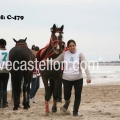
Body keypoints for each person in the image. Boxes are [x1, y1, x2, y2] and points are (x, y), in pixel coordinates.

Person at [46, 39, 91, 116]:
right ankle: (67, 102)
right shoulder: (64, 54)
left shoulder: (80, 54)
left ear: (75, 46)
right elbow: (56, 61)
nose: (72, 47)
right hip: (66, 79)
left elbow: (85, 65)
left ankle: (75, 112)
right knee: (67, 96)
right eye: (70, 46)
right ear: (68, 47)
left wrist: (88, 76)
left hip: (78, 79)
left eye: (73, 45)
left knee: (77, 95)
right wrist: (47, 61)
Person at [0, 39, 9, 108]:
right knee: (4, 88)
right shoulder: (8, 52)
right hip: (6, 71)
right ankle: (4, 103)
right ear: (5, 44)